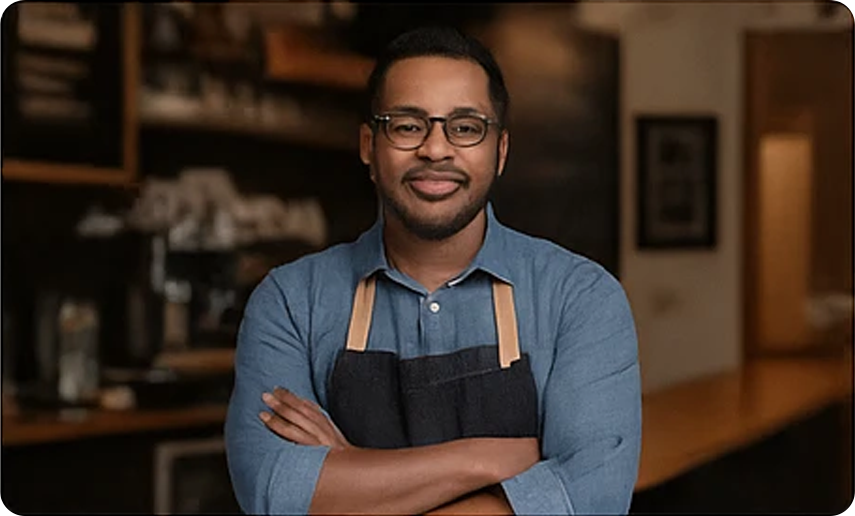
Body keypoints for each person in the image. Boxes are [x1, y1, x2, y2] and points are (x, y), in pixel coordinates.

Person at [225, 25, 641, 515]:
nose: (436, 150)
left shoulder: (580, 298)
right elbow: (273, 492)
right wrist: (491, 459)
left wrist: (352, 473)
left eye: (465, 127)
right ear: (368, 146)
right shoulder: (291, 301)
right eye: (407, 126)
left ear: (500, 151)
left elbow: (591, 498)